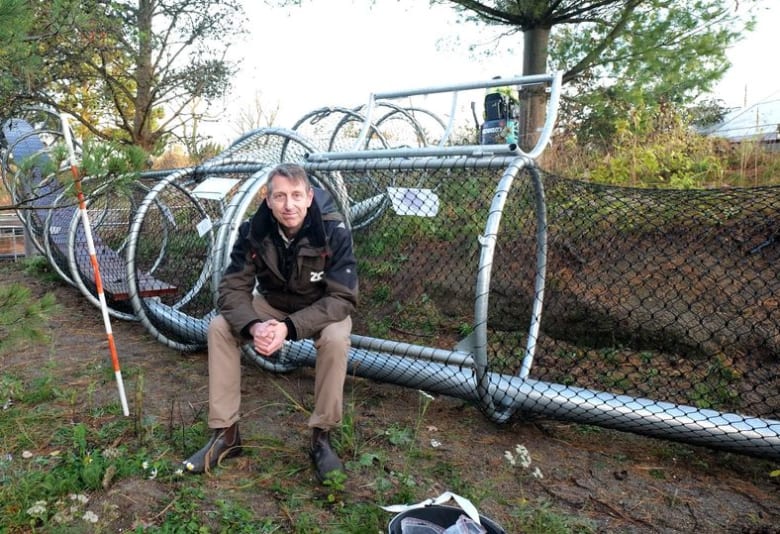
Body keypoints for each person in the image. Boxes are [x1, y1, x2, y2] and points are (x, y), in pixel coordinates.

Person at [182, 163, 358, 482]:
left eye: (295, 196)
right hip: (273, 304)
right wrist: (254, 326)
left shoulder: (333, 230)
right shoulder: (254, 231)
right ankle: (227, 434)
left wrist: (288, 328)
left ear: (308, 197)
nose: (288, 205)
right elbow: (232, 288)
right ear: (267, 199)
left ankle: (322, 437)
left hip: (320, 309)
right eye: (279, 196)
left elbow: (342, 297)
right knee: (220, 327)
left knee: (335, 338)